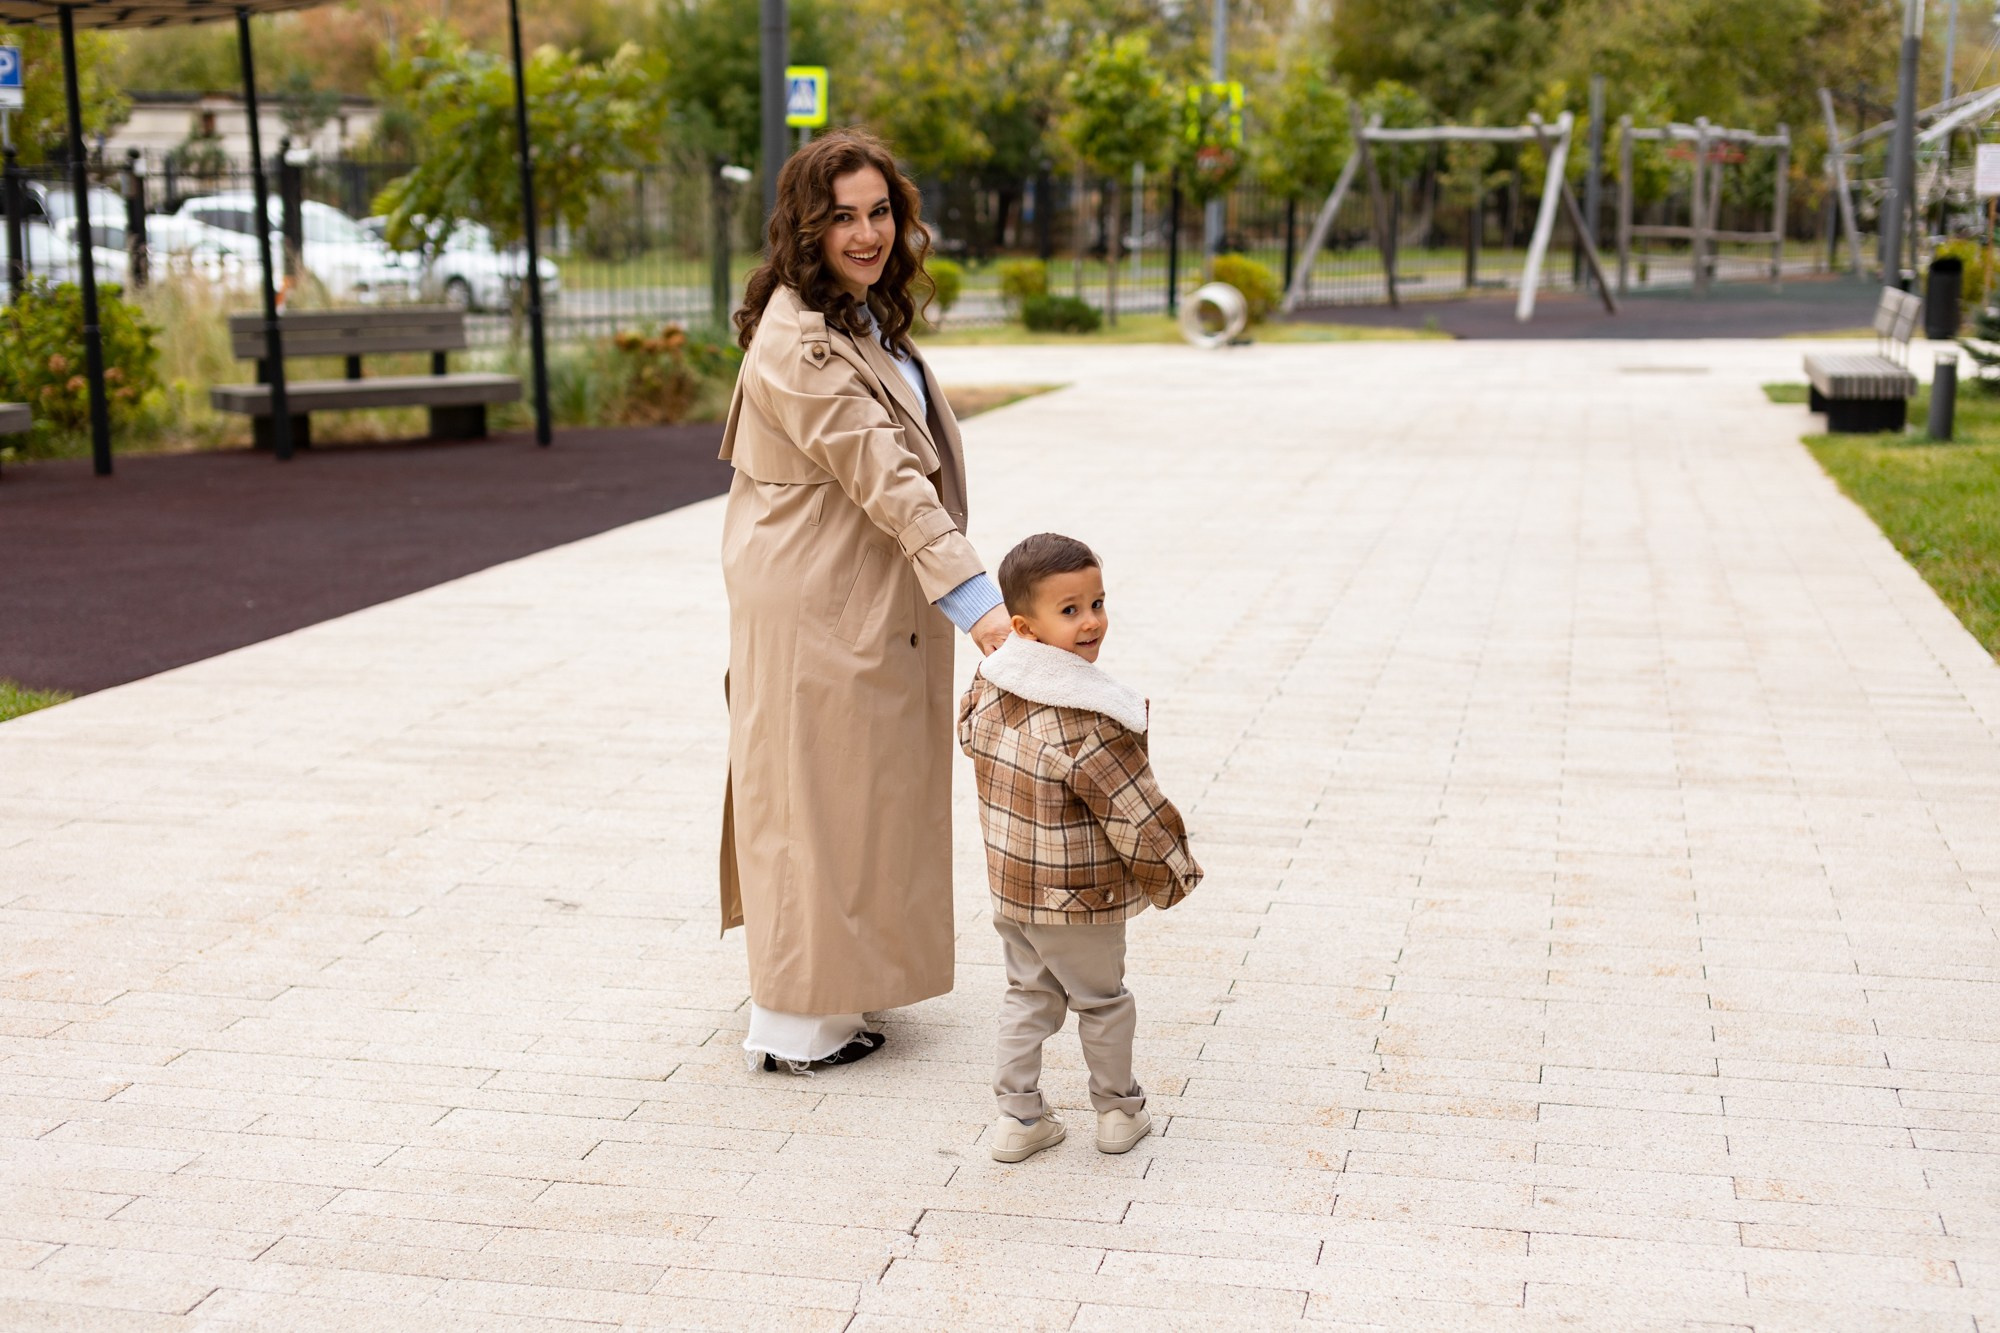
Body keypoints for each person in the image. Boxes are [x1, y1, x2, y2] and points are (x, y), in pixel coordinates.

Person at [719, 129, 1011, 1072]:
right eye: (841, 216)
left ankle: (840, 992)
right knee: (813, 801)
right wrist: (979, 601)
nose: (867, 232)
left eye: (879, 211)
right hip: (819, 595)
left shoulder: (853, 314)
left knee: (861, 796)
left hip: (856, 583)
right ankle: (794, 1026)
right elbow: (882, 470)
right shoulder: (802, 339)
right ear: (805, 225)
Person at [956, 533, 1203, 1162]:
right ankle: (1118, 1112)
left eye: (1097, 602)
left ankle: (1019, 1119)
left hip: (1014, 890)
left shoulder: (990, 684)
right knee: (1102, 1001)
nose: (1091, 621)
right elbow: (1136, 814)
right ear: (1024, 626)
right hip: (1080, 899)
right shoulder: (1090, 718)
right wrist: (1174, 873)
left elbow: (967, 734)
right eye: (1069, 610)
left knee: (1027, 996)